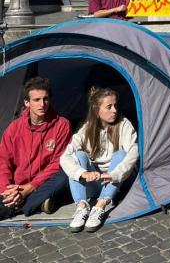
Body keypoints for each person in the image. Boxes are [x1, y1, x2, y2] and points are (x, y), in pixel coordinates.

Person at [60, 87, 138, 232]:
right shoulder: (87, 128)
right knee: (78, 155)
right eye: (109, 107)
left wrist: (114, 175)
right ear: (97, 111)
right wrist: (81, 173)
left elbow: (133, 153)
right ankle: (82, 207)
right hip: (95, 182)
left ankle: (100, 206)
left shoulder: (124, 124)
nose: (114, 110)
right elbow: (65, 156)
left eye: (115, 105)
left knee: (121, 154)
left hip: (117, 183)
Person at [0, 77, 71, 220]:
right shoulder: (14, 128)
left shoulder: (62, 125)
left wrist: (30, 188)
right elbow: (3, 161)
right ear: (27, 103)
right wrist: (7, 190)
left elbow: (58, 162)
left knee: (64, 177)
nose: (42, 104)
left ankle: (18, 206)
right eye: (36, 100)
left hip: (42, 183)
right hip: (17, 185)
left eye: (45, 99)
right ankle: (35, 204)